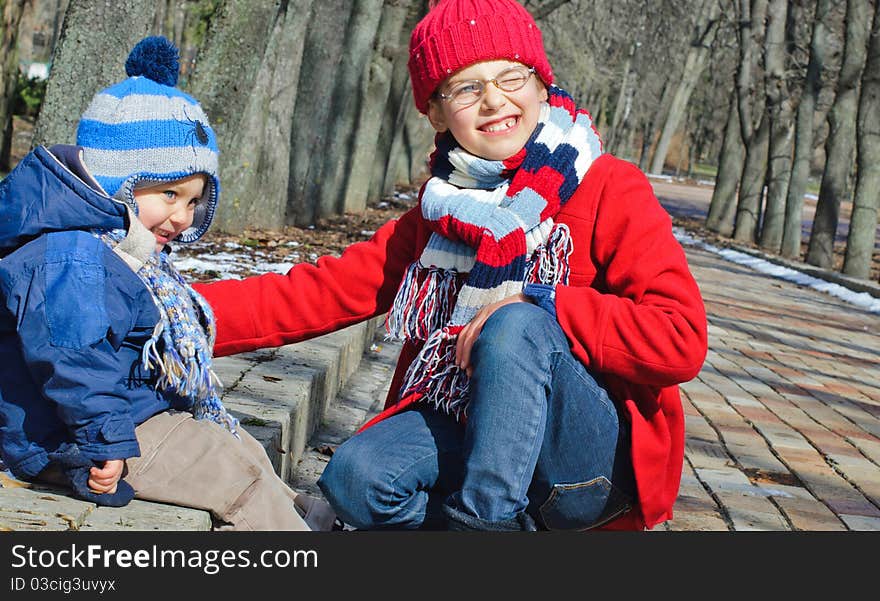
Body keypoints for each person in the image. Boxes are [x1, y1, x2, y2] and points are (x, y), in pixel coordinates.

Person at [194, 0, 708, 531]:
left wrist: (546, 303)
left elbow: (681, 339)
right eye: (466, 87)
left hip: (580, 464)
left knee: (518, 323)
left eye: (511, 77)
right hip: (470, 424)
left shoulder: (609, 187)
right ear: (436, 112)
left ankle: (480, 529)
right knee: (357, 479)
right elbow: (321, 291)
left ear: (540, 85)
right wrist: (171, 312)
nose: (494, 100)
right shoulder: (440, 214)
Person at [0, 36, 335, 531]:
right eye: (169, 192)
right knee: (227, 471)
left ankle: (298, 511)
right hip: (70, 436)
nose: (182, 216)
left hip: (119, 413)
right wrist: (105, 444)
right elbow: (75, 360)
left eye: (194, 200)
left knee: (234, 444)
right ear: (118, 181)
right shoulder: (73, 255)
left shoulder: (119, 246)